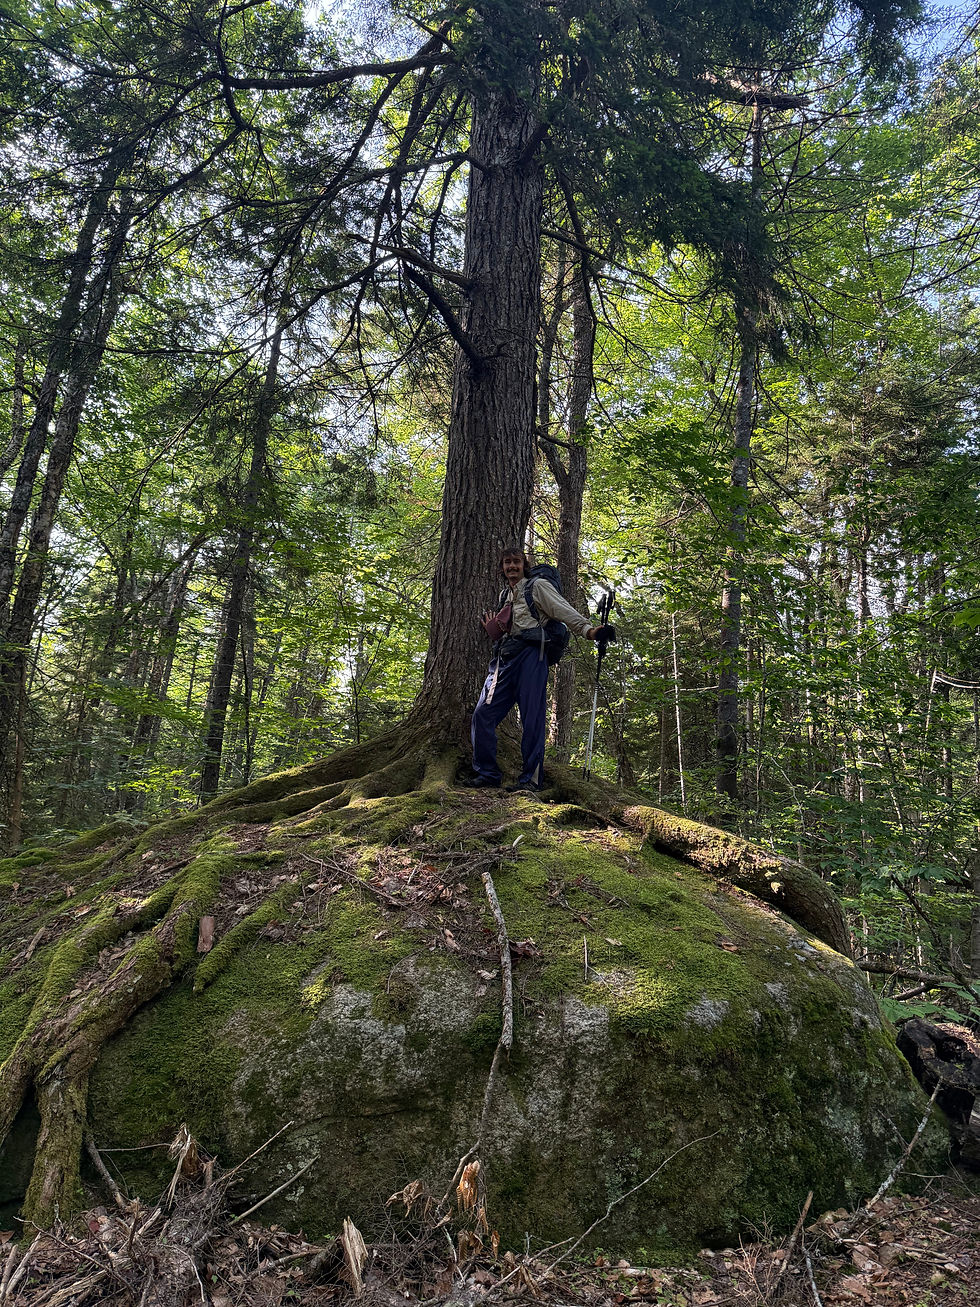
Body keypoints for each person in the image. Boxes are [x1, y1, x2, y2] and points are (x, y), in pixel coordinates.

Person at [460, 545, 615, 791]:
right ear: (502, 568)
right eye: (507, 563)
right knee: (483, 714)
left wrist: (590, 631)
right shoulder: (506, 595)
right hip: (505, 660)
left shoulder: (538, 587)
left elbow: (563, 610)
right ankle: (487, 774)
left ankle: (530, 779)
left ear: (524, 565)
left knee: (532, 718)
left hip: (532, 656)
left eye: (516, 562)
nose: (511, 566)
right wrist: (496, 629)